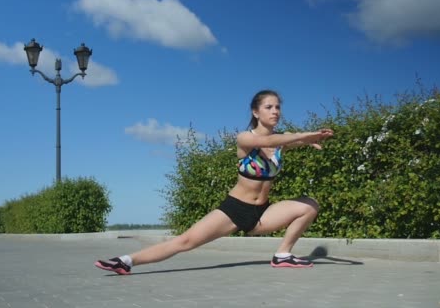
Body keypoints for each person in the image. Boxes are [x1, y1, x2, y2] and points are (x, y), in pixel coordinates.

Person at [95, 90, 334, 275]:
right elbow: (277, 138)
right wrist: (305, 135)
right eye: (268, 107)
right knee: (185, 241)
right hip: (234, 209)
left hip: (262, 212)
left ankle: (282, 255)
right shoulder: (245, 138)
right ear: (255, 112)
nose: (275, 111)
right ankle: (126, 261)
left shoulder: (280, 143)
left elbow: (283, 141)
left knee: (309, 205)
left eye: (278, 107)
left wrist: (310, 140)